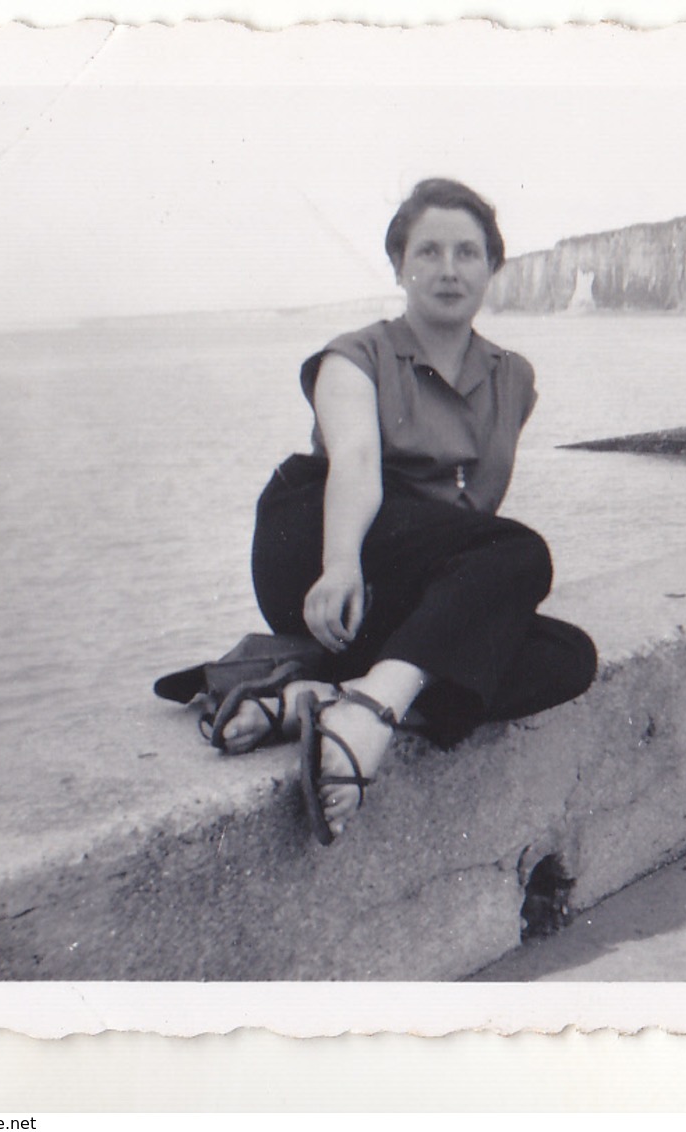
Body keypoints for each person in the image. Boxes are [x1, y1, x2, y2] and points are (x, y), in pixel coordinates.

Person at [213, 178, 597, 844]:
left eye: (468, 253)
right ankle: (369, 713)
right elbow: (356, 463)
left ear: (492, 267)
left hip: (420, 566)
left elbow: (471, 506)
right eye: (429, 252)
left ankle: (318, 700)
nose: (448, 269)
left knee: (568, 656)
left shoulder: (514, 377)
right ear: (399, 266)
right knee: (522, 552)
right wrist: (339, 565)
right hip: (320, 543)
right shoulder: (354, 357)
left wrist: (465, 598)